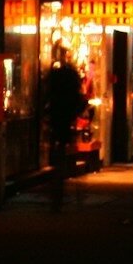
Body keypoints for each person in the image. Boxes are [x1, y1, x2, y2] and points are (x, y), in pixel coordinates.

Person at [44, 48, 87, 209]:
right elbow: (79, 98)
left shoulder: (54, 76)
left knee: (58, 149)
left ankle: (57, 185)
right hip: (65, 117)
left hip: (57, 116)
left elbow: (46, 94)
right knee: (64, 148)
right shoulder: (70, 75)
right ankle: (60, 181)